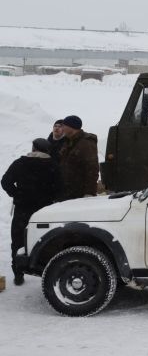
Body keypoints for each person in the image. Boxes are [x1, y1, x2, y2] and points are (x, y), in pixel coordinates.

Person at [2, 138, 62, 285]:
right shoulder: (53, 165)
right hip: (45, 210)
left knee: (18, 240)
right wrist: (51, 198)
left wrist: (16, 194)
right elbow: (60, 188)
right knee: (45, 239)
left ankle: (18, 273)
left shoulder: (20, 163)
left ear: (34, 148)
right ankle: (46, 271)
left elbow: (5, 181)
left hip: (23, 208)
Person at [59, 115, 100, 201]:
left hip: (79, 194)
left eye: (64, 125)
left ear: (71, 127)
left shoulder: (86, 143)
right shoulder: (68, 142)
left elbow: (92, 168)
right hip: (67, 192)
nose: (62, 128)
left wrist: (89, 193)